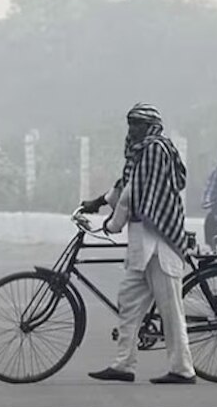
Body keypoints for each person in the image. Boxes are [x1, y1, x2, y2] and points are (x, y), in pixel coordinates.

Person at [79, 103, 197, 385]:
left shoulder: (155, 150)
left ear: (150, 126)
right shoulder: (139, 152)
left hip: (160, 241)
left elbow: (136, 192)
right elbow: (126, 183)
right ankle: (123, 365)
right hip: (142, 243)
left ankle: (182, 370)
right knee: (128, 303)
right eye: (130, 123)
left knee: (171, 310)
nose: (132, 129)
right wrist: (98, 202)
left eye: (138, 124)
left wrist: (112, 223)